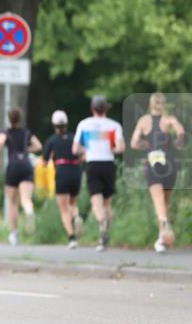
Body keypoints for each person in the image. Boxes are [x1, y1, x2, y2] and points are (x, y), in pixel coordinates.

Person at [130, 92, 186, 253]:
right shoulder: (169, 120)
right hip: (169, 162)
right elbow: (181, 132)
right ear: (163, 104)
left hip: (153, 160)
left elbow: (134, 143)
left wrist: (145, 145)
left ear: (150, 104)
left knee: (158, 201)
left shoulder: (143, 121)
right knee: (164, 203)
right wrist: (177, 142)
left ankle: (163, 231)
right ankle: (162, 237)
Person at [73, 96, 125, 251]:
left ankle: (101, 226)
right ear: (106, 109)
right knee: (107, 203)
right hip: (108, 164)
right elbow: (121, 148)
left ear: (92, 108)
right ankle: (104, 235)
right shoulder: (114, 126)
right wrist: (112, 149)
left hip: (93, 164)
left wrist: (86, 149)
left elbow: (75, 149)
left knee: (96, 202)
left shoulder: (84, 124)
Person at [0, 107, 43, 245]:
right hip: (26, 165)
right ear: (20, 118)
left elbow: (0, 142)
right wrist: (27, 149)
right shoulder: (26, 133)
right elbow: (39, 145)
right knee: (26, 199)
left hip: (13, 166)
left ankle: (14, 233)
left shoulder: (6, 132)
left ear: (9, 119)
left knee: (13, 203)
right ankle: (29, 210)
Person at [42, 110, 83, 249]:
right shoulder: (74, 138)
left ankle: (72, 238)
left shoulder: (51, 140)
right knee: (73, 203)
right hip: (76, 171)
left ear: (54, 125)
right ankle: (76, 217)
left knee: (64, 208)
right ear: (66, 123)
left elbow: (44, 162)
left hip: (61, 171)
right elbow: (82, 154)